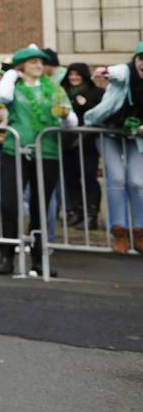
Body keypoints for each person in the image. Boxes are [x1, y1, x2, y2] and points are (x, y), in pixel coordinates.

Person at [0, 46, 75, 276]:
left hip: (46, 152)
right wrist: (10, 74)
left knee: (41, 207)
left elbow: (72, 123)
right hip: (14, 150)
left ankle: (38, 259)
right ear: (22, 67)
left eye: (41, 62)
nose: (39, 65)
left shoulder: (55, 90)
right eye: (33, 62)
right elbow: (1, 96)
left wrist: (67, 116)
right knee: (9, 205)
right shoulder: (14, 87)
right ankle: (6, 257)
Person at [86, 43, 143, 254]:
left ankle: (139, 231)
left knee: (137, 182)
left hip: (135, 136)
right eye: (141, 59)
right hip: (108, 131)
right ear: (135, 60)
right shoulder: (126, 73)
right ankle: (119, 231)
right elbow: (116, 72)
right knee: (117, 178)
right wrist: (105, 71)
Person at [62, 62, 103, 230]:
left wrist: (84, 103)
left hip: (87, 144)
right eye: (71, 74)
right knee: (71, 179)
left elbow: (100, 113)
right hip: (67, 143)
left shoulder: (97, 92)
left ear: (84, 75)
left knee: (89, 178)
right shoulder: (62, 92)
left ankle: (91, 216)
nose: (74, 78)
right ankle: (77, 212)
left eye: (77, 74)